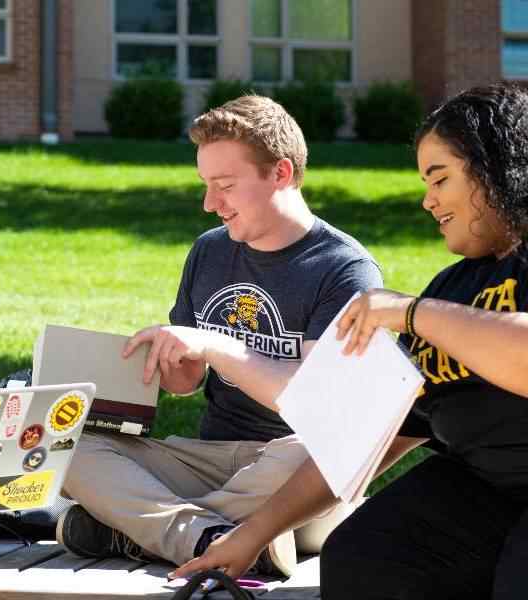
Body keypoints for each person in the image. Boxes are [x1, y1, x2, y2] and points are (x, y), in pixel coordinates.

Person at [174, 83, 528, 600]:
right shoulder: (457, 286)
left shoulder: (431, 304)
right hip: (485, 487)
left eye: (441, 179)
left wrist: (410, 311)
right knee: (364, 559)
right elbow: (364, 439)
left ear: (499, 170)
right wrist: (252, 536)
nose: (428, 201)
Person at [56, 95, 383, 576]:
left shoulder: (345, 270)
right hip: (209, 457)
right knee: (67, 444)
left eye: (225, 185)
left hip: (296, 467)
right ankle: (215, 538)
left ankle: (137, 528)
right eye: (207, 185)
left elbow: (317, 404)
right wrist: (179, 366)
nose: (211, 204)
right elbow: (187, 384)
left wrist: (216, 346)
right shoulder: (209, 253)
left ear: (281, 173)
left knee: (325, 455)